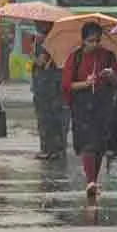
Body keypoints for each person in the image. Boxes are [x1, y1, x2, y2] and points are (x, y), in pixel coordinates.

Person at [64, 21, 117, 202]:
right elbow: (67, 85)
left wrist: (110, 75)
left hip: (103, 104)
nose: (94, 44)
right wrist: (85, 84)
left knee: (99, 145)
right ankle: (90, 181)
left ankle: (93, 180)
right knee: (88, 143)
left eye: (97, 40)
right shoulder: (75, 58)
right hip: (82, 105)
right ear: (83, 40)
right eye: (90, 41)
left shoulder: (108, 56)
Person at [29, 21, 67, 160]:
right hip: (57, 84)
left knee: (45, 118)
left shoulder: (42, 41)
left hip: (44, 85)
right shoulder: (60, 40)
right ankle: (58, 148)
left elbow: (41, 62)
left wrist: (32, 52)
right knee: (57, 117)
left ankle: (47, 149)